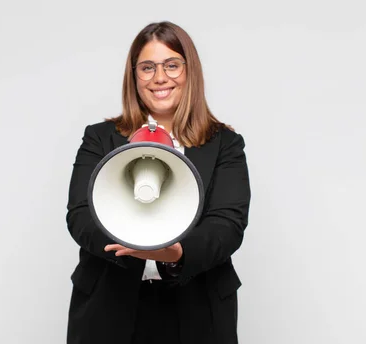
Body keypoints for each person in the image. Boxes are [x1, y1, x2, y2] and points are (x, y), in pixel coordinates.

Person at [65, 21, 251, 344]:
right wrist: (127, 243)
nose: (160, 77)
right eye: (147, 67)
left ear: (189, 70)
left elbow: (228, 224)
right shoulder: (100, 138)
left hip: (197, 310)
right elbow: (80, 214)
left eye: (172, 65)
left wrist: (180, 254)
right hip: (109, 308)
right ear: (134, 75)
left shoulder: (225, 144)